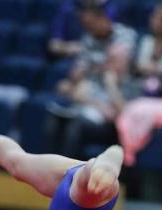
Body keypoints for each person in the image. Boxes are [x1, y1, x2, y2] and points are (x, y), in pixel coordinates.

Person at [47, 3, 138, 158]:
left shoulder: (125, 36)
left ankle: (69, 176)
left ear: (102, 18)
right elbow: (77, 75)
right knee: (53, 122)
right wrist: (75, 79)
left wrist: (94, 69)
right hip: (87, 103)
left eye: (90, 23)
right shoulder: (88, 39)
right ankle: (49, 170)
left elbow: (115, 63)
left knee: (74, 126)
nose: (87, 27)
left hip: (107, 110)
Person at [48, 0, 121, 59]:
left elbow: (118, 45)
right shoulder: (68, 8)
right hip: (71, 59)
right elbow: (53, 46)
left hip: (104, 57)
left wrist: (83, 48)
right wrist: (71, 48)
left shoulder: (112, 8)